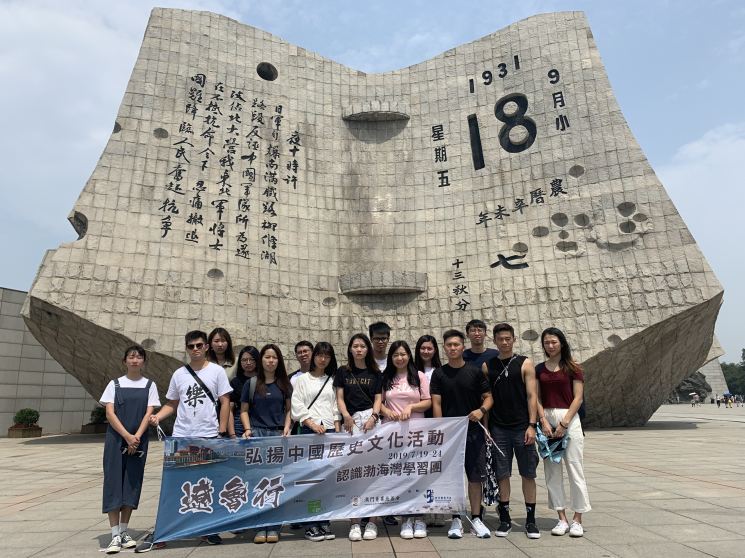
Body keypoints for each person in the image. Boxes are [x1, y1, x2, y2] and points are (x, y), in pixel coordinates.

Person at [147, 331, 232, 547]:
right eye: (191, 346)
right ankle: (170, 528)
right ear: (186, 349)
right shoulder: (179, 374)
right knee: (178, 484)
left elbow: (225, 403)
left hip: (208, 435)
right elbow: (172, 403)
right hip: (182, 436)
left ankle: (207, 529)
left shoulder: (217, 372)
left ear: (206, 347)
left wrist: (221, 432)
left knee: (207, 484)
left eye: (199, 345)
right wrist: (158, 416)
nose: (195, 349)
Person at [430, 329, 494, 539]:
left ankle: (476, 519)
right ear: (444, 348)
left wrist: (481, 410)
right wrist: (441, 430)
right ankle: (456, 518)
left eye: (456, 344)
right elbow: (436, 403)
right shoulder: (439, 374)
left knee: (475, 476)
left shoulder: (475, 372)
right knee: (453, 477)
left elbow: (488, 397)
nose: (453, 348)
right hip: (450, 436)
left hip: (473, 431)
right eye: (449, 345)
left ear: (463, 347)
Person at [483, 323, 540, 539]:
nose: (504, 342)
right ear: (494, 341)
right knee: (502, 474)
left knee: (528, 474)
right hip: (498, 428)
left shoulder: (525, 363)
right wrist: (487, 428)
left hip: (522, 427)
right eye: (500, 339)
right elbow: (486, 398)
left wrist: (532, 425)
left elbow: (532, 396)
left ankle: (530, 521)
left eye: (508, 338)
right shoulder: (487, 366)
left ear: (514, 340)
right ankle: (505, 519)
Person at [101, 346, 160, 554]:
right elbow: (110, 414)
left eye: (139, 357)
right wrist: (127, 436)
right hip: (116, 440)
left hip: (138, 440)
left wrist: (136, 437)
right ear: (124, 361)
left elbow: (149, 413)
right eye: (131, 357)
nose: (135, 360)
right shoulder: (114, 384)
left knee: (131, 482)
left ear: (144, 361)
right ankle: (114, 535)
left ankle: (124, 531)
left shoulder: (150, 385)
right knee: (113, 482)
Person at [535, 327, 591, 538]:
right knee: (552, 472)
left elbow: (578, 398)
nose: (550, 346)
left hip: (570, 419)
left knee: (575, 469)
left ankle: (577, 519)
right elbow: (537, 397)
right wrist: (543, 420)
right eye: (547, 342)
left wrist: (565, 423)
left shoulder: (573, 368)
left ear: (562, 344)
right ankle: (561, 518)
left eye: (554, 342)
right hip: (547, 421)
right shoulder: (539, 369)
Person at [240, 344, 293, 544]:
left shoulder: (284, 384)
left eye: (274, 357)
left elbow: (289, 410)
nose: (271, 361)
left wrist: (286, 427)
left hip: (278, 435)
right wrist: (248, 430)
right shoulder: (252, 383)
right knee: (258, 482)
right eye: (267, 357)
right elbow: (244, 410)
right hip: (257, 435)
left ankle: (274, 526)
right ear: (261, 360)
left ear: (279, 361)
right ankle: (259, 526)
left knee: (276, 481)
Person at [380, 341, 432, 539]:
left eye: (403, 354)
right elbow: (379, 402)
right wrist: (387, 411)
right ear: (391, 358)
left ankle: (420, 519)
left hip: (416, 433)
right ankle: (406, 520)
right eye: (395, 355)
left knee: (417, 475)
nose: (399, 358)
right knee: (400, 477)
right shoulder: (386, 377)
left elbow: (428, 401)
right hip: (392, 435)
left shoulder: (418, 376)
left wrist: (411, 407)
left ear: (409, 356)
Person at [334, 333, 383, 541]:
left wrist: (374, 417)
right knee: (352, 473)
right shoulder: (342, 371)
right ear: (350, 349)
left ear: (367, 349)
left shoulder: (375, 372)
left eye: (362, 346)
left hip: (371, 423)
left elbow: (378, 398)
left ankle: (372, 522)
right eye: (355, 346)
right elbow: (340, 397)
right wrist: (346, 416)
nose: (359, 349)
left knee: (374, 472)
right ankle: (354, 522)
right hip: (350, 424)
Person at [290, 342, 341, 542]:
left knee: (326, 480)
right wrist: (311, 424)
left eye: (327, 356)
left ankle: (324, 521)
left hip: (329, 431)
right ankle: (310, 524)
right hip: (309, 432)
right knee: (310, 479)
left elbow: (336, 407)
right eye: (320, 355)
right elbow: (297, 405)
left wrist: (337, 432)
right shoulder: (302, 379)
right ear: (314, 356)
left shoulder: (333, 380)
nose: (323, 359)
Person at [414, 335, 445, 527]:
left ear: (435, 350)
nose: (426, 351)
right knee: (421, 469)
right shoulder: (412, 371)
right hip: (418, 424)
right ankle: (423, 511)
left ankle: (439, 510)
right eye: (423, 348)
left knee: (437, 468)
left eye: (429, 348)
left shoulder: (441, 371)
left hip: (437, 423)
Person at [227, 346, 260, 437]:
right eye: (244, 360)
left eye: (252, 359)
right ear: (240, 362)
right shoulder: (235, 382)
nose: (248, 363)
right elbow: (229, 409)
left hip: (261, 422)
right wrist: (232, 433)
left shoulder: (264, 380)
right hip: (240, 423)